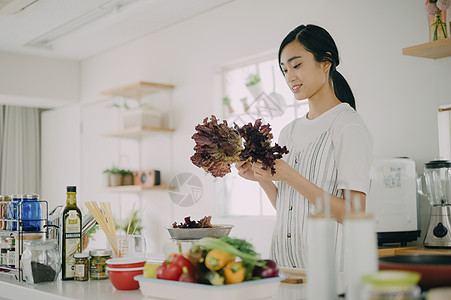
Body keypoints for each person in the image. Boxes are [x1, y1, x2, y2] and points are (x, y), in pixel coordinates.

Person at [236, 24, 373, 270]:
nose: (290, 77)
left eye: (296, 65)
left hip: (332, 273)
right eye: (284, 69)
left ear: (325, 62)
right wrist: (263, 180)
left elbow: (355, 215)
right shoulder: (289, 131)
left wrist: (289, 175)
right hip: (287, 268)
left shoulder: (347, 125)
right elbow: (291, 210)